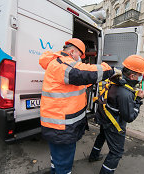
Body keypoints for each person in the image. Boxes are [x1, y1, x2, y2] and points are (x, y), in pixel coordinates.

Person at [39, 38, 114, 174]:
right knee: (64, 165)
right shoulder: (62, 64)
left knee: (57, 159)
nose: (80, 59)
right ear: (72, 52)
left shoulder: (58, 64)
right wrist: (109, 70)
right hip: (62, 127)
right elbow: (83, 73)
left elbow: (78, 82)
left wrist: (91, 81)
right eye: (79, 56)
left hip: (58, 125)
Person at [88, 55, 144, 174]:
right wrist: (138, 101)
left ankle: (94, 156)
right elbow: (129, 117)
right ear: (132, 76)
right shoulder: (125, 93)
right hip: (114, 124)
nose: (142, 77)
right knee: (116, 153)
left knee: (102, 136)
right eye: (140, 74)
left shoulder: (115, 80)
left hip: (105, 118)